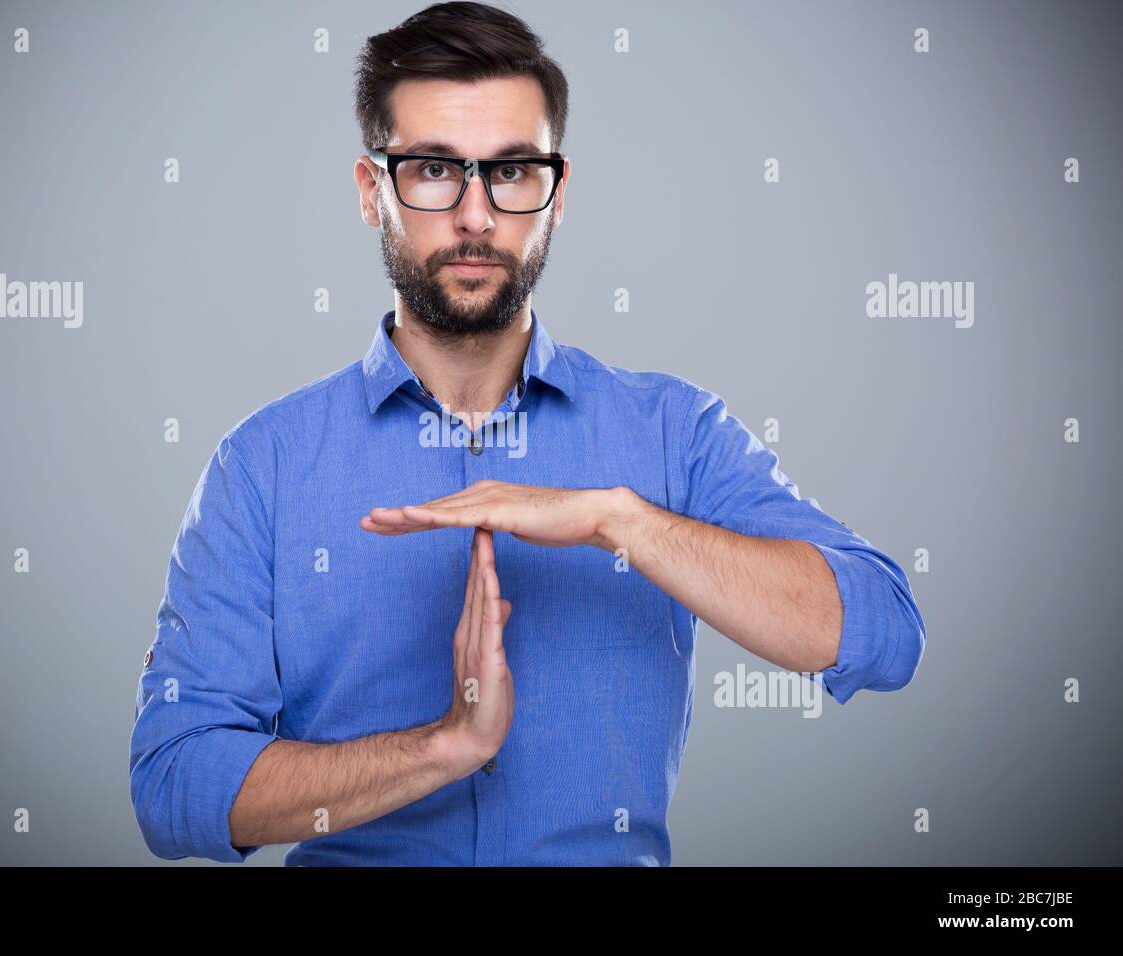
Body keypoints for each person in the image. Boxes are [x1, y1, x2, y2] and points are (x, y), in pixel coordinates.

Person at [129, 0, 926, 866]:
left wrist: (620, 520)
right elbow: (176, 784)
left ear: (556, 193)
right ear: (371, 192)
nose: (476, 216)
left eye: (511, 173)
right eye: (435, 169)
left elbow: (882, 632)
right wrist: (443, 747)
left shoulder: (673, 433)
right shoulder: (265, 465)